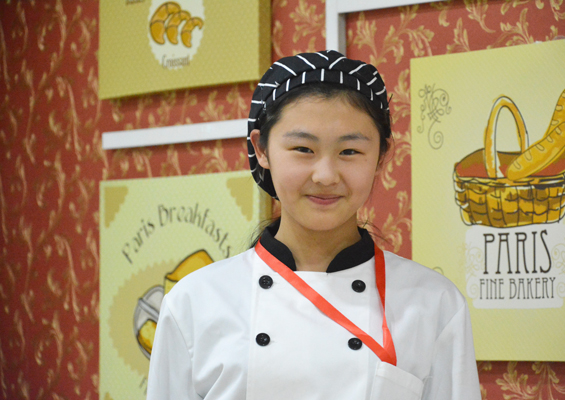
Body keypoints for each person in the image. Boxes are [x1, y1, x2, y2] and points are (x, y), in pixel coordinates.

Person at [147, 50, 481, 400]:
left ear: (381, 156)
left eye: (349, 152)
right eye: (303, 149)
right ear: (261, 149)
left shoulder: (433, 303)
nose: (325, 176)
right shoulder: (194, 301)